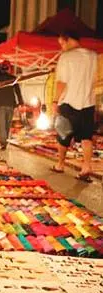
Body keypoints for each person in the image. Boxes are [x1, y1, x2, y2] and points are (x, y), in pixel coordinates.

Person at [51, 31, 97, 182]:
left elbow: (61, 82)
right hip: (88, 102)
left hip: (68, 102)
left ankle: (60, 164)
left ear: (68, 40)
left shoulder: (66, 57)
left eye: (62, 43)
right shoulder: (93, 56)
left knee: (63, 135)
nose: (62, 47)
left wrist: (55, 101)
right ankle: (86, 167)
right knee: (86, 137)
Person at [0, 61, 24, 150]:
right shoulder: (13, 78)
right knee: (7, 124)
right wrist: (20, 102)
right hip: (10, 104)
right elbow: (18, 92)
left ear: (1, 69)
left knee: (2, 124)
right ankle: (4, 141)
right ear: (9, 69)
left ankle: (3, 142)